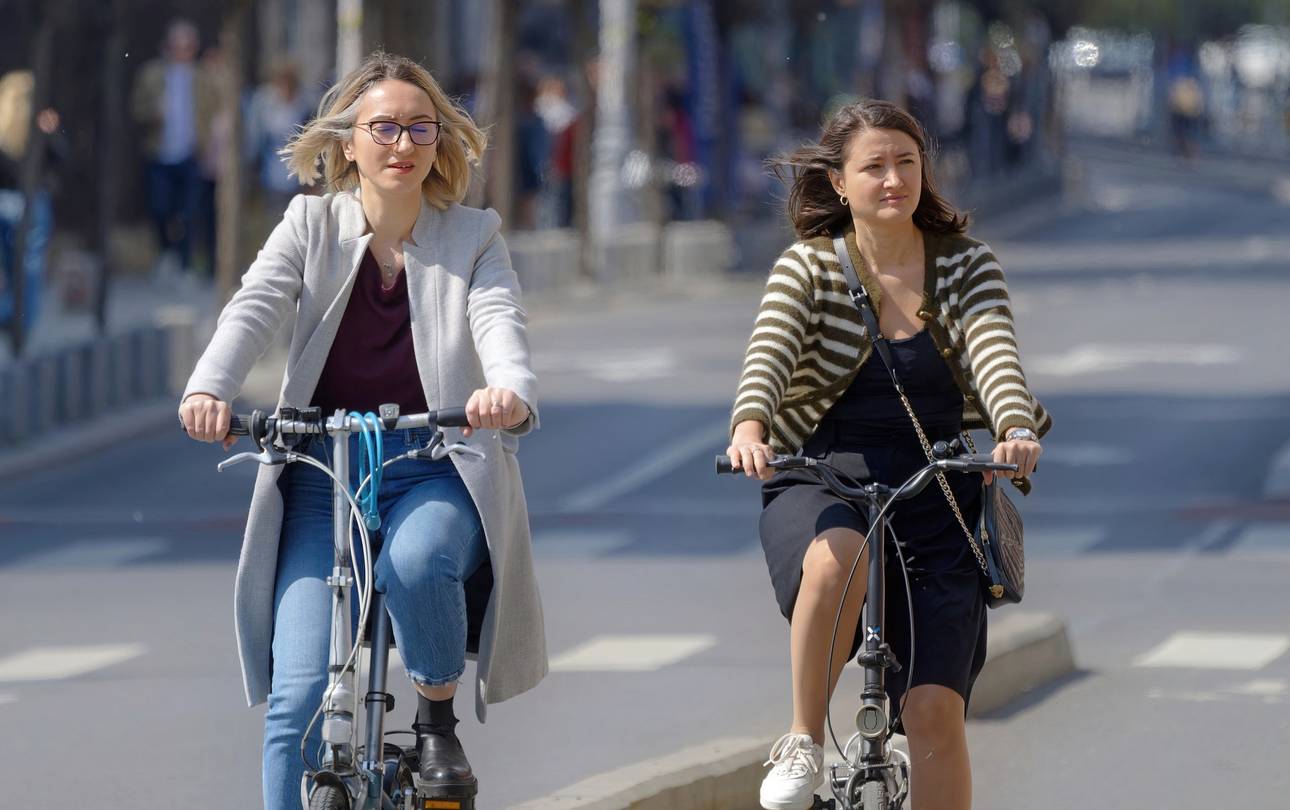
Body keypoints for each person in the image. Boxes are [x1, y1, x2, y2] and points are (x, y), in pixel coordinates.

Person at [177, 51, 546, 810]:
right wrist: (210, 386)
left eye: (420, 128)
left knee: (414, 565)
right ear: (348, 142)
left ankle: (436, 720)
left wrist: (507, 390)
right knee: (298, 696)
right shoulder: (310, 223)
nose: (403, 145)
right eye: (384, 128)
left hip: (435, 464)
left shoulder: (473, 234)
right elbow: (254, 306)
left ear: (440, 143)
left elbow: (499, 318)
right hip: (324, 474)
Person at [726, 99, 1050, 810]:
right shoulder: (807, 267)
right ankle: (804, 741)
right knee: (837, 556)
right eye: (874, 166)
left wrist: (1014, 429)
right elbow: (768, 356)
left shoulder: (966, 264)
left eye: (907, 162)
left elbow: (998, 357)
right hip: (824, 477)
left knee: (934, 711)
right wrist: (750, 427)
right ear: (841, 182)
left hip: (940, 486)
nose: (894, 179)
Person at [130, 18, 217, 280]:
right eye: (177, 45)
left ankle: (185, 263)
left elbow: (214, 111)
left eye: (188, 46)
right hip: (160, 152)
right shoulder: (151, 74)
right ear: (168, 46)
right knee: (160, 206)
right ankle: (165, 253)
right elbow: (137, 110)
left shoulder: (202, 77)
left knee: (189, 211)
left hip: (191, 153)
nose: (182, 51)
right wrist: (153, 113)